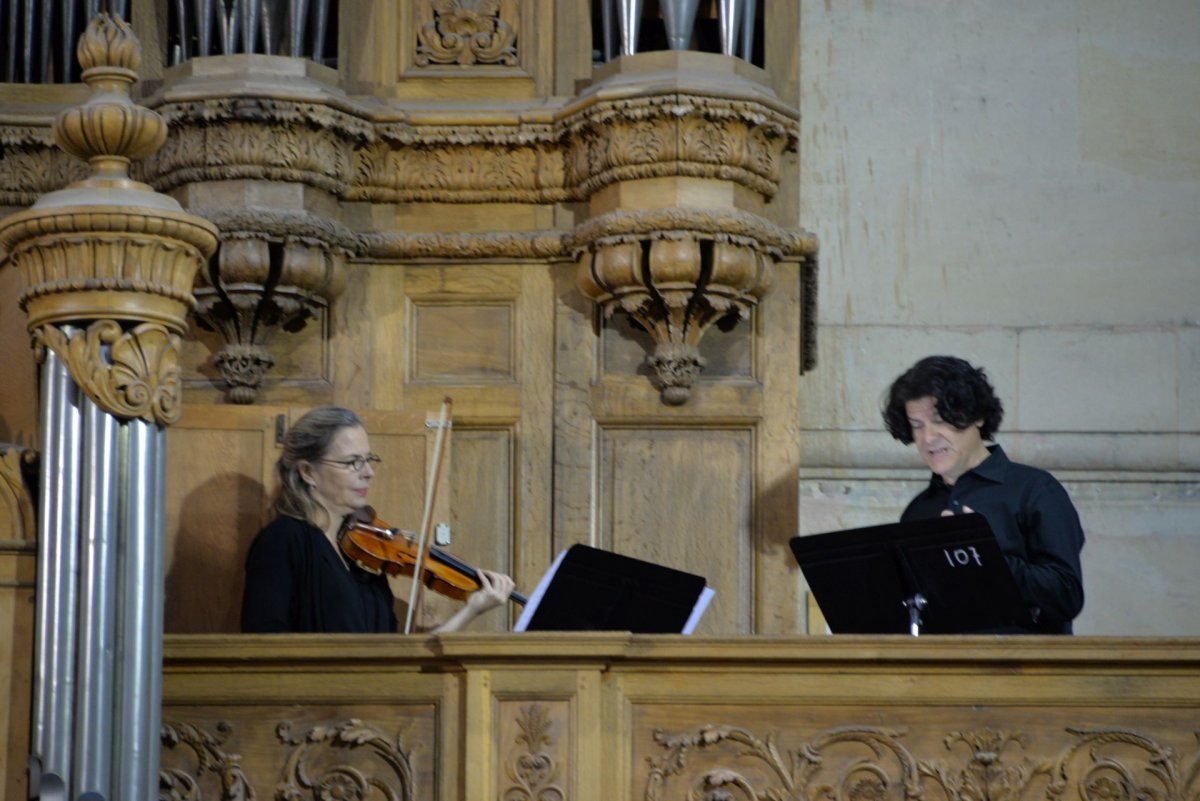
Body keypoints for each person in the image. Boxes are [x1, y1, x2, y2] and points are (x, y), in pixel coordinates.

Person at [241, 405, 515, 633]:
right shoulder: (282, 541)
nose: (369, 472)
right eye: (352, 462)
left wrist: (472, 609)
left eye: (369, 459)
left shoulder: (365, 557)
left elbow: (394, 661)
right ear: (307, 472)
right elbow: (264, 645)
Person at [882, 355, 1085, 633]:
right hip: (939, 671)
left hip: (1023, 671)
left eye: (940, 421)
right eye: (917, 426)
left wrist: (984, 555)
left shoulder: (1035, 490)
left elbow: (1066, 596)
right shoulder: (919, 510)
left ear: (977, 416)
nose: (928, 438)